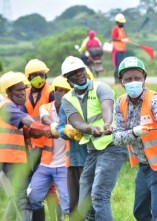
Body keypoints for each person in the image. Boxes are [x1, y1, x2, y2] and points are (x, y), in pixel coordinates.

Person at [112, 56, 157, 221]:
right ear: (121, 81)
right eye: (128, 79)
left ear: (144, 78)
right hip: (145, 164)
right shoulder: (120, 103)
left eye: (137, 78)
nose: (133, 82)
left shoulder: (155, 99)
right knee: (140, 211)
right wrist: (134, 133)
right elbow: (116, 137)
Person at [60, 56, 127, 220]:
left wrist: (108, 123)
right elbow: (76, 122)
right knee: (84, 203)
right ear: (68, 79)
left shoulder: (101, 87)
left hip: (112, 147)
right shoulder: (67, 99)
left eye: (80, 70)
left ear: (85, 70)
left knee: (99, 194)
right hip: (92, 150)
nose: (79, 75)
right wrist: (89, 129)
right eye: (73, 73)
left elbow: (107, 107)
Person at [0, 71, 53, 221]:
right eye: (19, 90)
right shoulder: (7, 106)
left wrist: (40, 132)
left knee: (19, 196)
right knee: (22, 199)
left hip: (16, 158)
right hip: (10, 159)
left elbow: (25, 131)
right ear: (9, 92)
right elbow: (26, 121)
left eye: (24, 88)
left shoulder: (12, 107)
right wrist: (49, 129)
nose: (23, 93)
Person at [23, 58, 61, 220]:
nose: (39, 78)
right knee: (34, 183)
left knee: (49, 186)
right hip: (30, 144)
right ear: (29, 77)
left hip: (48, 143)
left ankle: (56, 216)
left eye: (42, 74)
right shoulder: (23, 93)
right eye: (35, 75)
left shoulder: (51, 93)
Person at [28, 76, 71, 218]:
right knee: (33, 197)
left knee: (68, 203)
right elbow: (45, 117)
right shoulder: (46, 107)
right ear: (54, 91)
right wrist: (53, 125)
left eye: (66, 91)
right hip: (46, 164)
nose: (62, 93)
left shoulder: (73, 111)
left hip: (65, 165)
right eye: (59, 90)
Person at [56, 73, 93, 221]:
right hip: (72, 161)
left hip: (90, 158)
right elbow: (60, 127)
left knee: (90, 202)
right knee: (74, 204)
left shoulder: (94, 100)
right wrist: (66, 131)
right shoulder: (67, 102)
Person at [111, 13, 130, 83]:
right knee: (118, 65)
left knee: (121, 64)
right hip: (117, 49)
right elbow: (113, 38)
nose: (123, 24)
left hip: (121, 49)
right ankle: (117, 79)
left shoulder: (121, 29)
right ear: (118, 22)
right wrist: (122, 40)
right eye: (121, 22)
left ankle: (120, 79)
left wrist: (126, 39)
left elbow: (122, 38)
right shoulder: (115, 29)